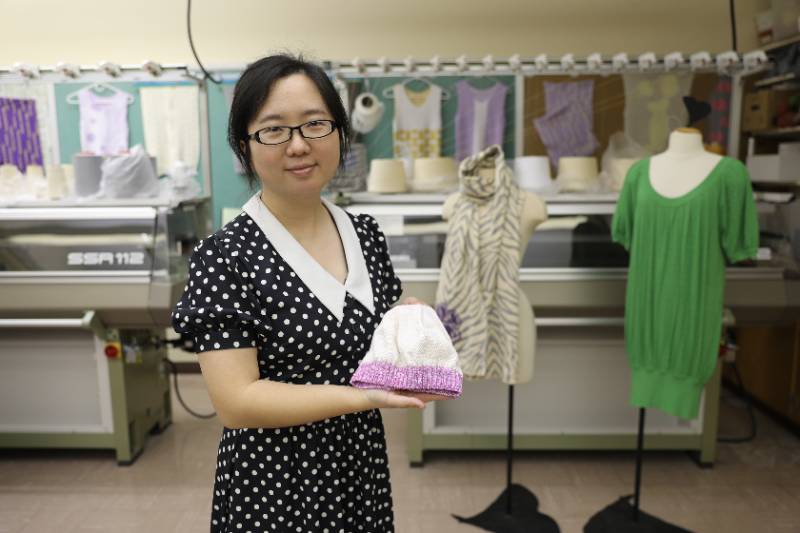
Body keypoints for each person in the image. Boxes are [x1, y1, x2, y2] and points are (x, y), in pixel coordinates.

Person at [172, 54, 446, 533]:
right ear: (245, 145)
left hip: (358, 466)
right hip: (276, 482)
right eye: (274, 130)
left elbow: (376, 319)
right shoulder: (225, 257)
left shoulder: (364, 234)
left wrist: (412, 323)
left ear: (339, 132)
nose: (299, 145)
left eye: (316, 124)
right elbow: (237, 401)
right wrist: (364, 397)